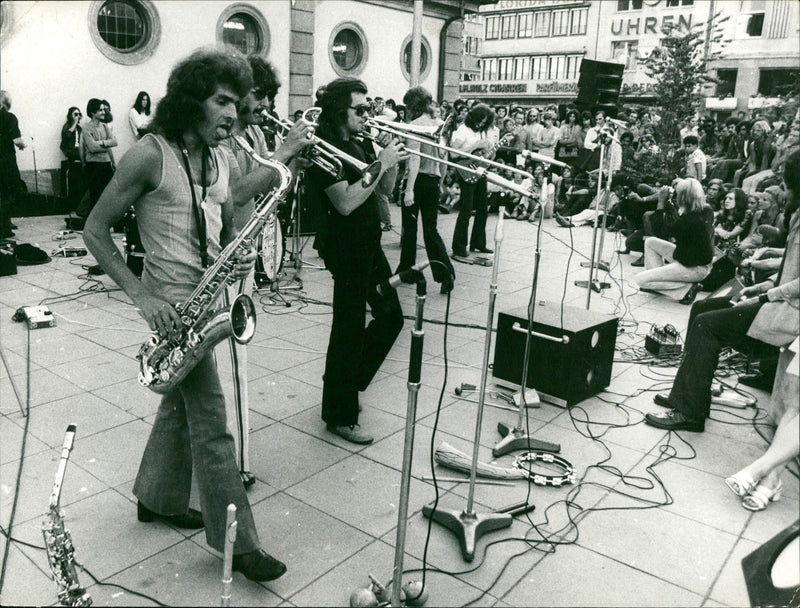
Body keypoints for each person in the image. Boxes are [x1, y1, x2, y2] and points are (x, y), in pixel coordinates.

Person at [83, 48, 287, 582]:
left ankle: (156, 498)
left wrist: (234, 251)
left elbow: (219, 221)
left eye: (236, 103)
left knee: (179, 403)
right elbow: (94, 230)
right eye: (223, 101)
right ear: (191, 97)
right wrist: (143, 297)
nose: (233, 114)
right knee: (212, 423)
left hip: (209, 300)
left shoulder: (219, 158)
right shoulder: (149, 154)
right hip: (173, 310)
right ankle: (240, 546)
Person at [645, 150, 800, 432]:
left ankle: (691, 414)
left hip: (789, 313)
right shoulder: (797, 215)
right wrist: (763, 285)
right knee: (702, 308)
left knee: (707, 326)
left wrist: (766, 295)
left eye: (787, 188)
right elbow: (791, 272)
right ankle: (683, 395)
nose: (785, 193)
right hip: (777, 300)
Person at [219, 55, 314, 487]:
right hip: (224, 253)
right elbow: (236, 192)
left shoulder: (254, 132)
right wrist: (285, 152)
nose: (267, 104)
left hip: (248, 248)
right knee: (233, 365)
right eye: (261, 95)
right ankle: (238, 464)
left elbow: (275, 182)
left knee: (229, 364)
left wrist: (295, 164)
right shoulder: (221, 139)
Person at [306, 77, 406, 445]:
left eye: (370, 109)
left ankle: (341, 386)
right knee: (348, 326)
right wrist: (379, 164)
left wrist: (389, 160)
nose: (368, 115)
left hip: (368, 241)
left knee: (392, 316)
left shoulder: (360, 143)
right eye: (360, 110)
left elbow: (384, 190)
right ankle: (339, 411)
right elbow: (345, 202)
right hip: (345, 247)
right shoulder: (325, 150)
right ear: (338, 111)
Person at [396, 86, 455, 294]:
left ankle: (407, 271)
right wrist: (439, 183)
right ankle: (446, 274)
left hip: (416, 180)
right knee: (431, 230)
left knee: (410, 229)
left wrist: (409, 189)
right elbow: (443, 157)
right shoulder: (439, 124)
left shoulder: (415, 125)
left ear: (413, 105)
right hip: (432, 180)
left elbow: (415, 157)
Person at [634, 178, 714, 304]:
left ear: (683, 197)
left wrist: (661, 202)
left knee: (641, 280)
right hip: (688, 257)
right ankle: (658, 286)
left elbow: (661, 231)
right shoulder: (701, 211)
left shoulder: (689, 220)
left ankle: (686, 289)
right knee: (650, 242)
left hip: (695, 268)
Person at [450, 103, 495, 260]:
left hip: (479, 169)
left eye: (485, 121)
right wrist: (474, 145)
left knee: (483, 208)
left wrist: (489, 151)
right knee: (466, 209)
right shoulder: (463, 130)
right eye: (480, 120)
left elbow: (484, 153)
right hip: (465, 169)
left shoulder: (483, 131)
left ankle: (478, 242)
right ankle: (459, 246)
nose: (481, 124)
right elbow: (454, 154)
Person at [78, 97, 117, 218]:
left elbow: (115, 141)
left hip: (106, 164)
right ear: (93, 113)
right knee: (96, 196)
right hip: (94, 165)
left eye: (103, 110)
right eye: (100, 110)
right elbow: (92, 148)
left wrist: (101, 143)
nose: (104, 112)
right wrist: (106, 143)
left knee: (110, 194)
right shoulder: (86, 128)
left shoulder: (105, 126)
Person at [0, 90, 26, 239]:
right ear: (7, 102)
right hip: (6, 162)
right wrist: (23, 145)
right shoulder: (9, 117)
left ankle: (5, 227)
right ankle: (2, 225)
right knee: (15, 191)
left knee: (2, 193)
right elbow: (17, 140)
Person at [60, 106, 86, 212]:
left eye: (79, 114)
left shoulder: (80, 129)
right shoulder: (67, 126)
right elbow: (66, 137)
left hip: (79, 154)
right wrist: (74, 123)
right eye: (75, 114)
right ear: (70, 115)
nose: (77, 116)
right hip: (71, 154)